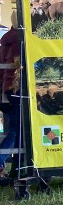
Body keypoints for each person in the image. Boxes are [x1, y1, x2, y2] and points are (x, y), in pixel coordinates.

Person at [0, 11, 23, 184]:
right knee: (17, 131)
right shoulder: (18, 39)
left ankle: (17, 169)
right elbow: (18, 64)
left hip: (5, 90)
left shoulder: (6, 38)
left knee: (15, 130)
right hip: (16, 88)